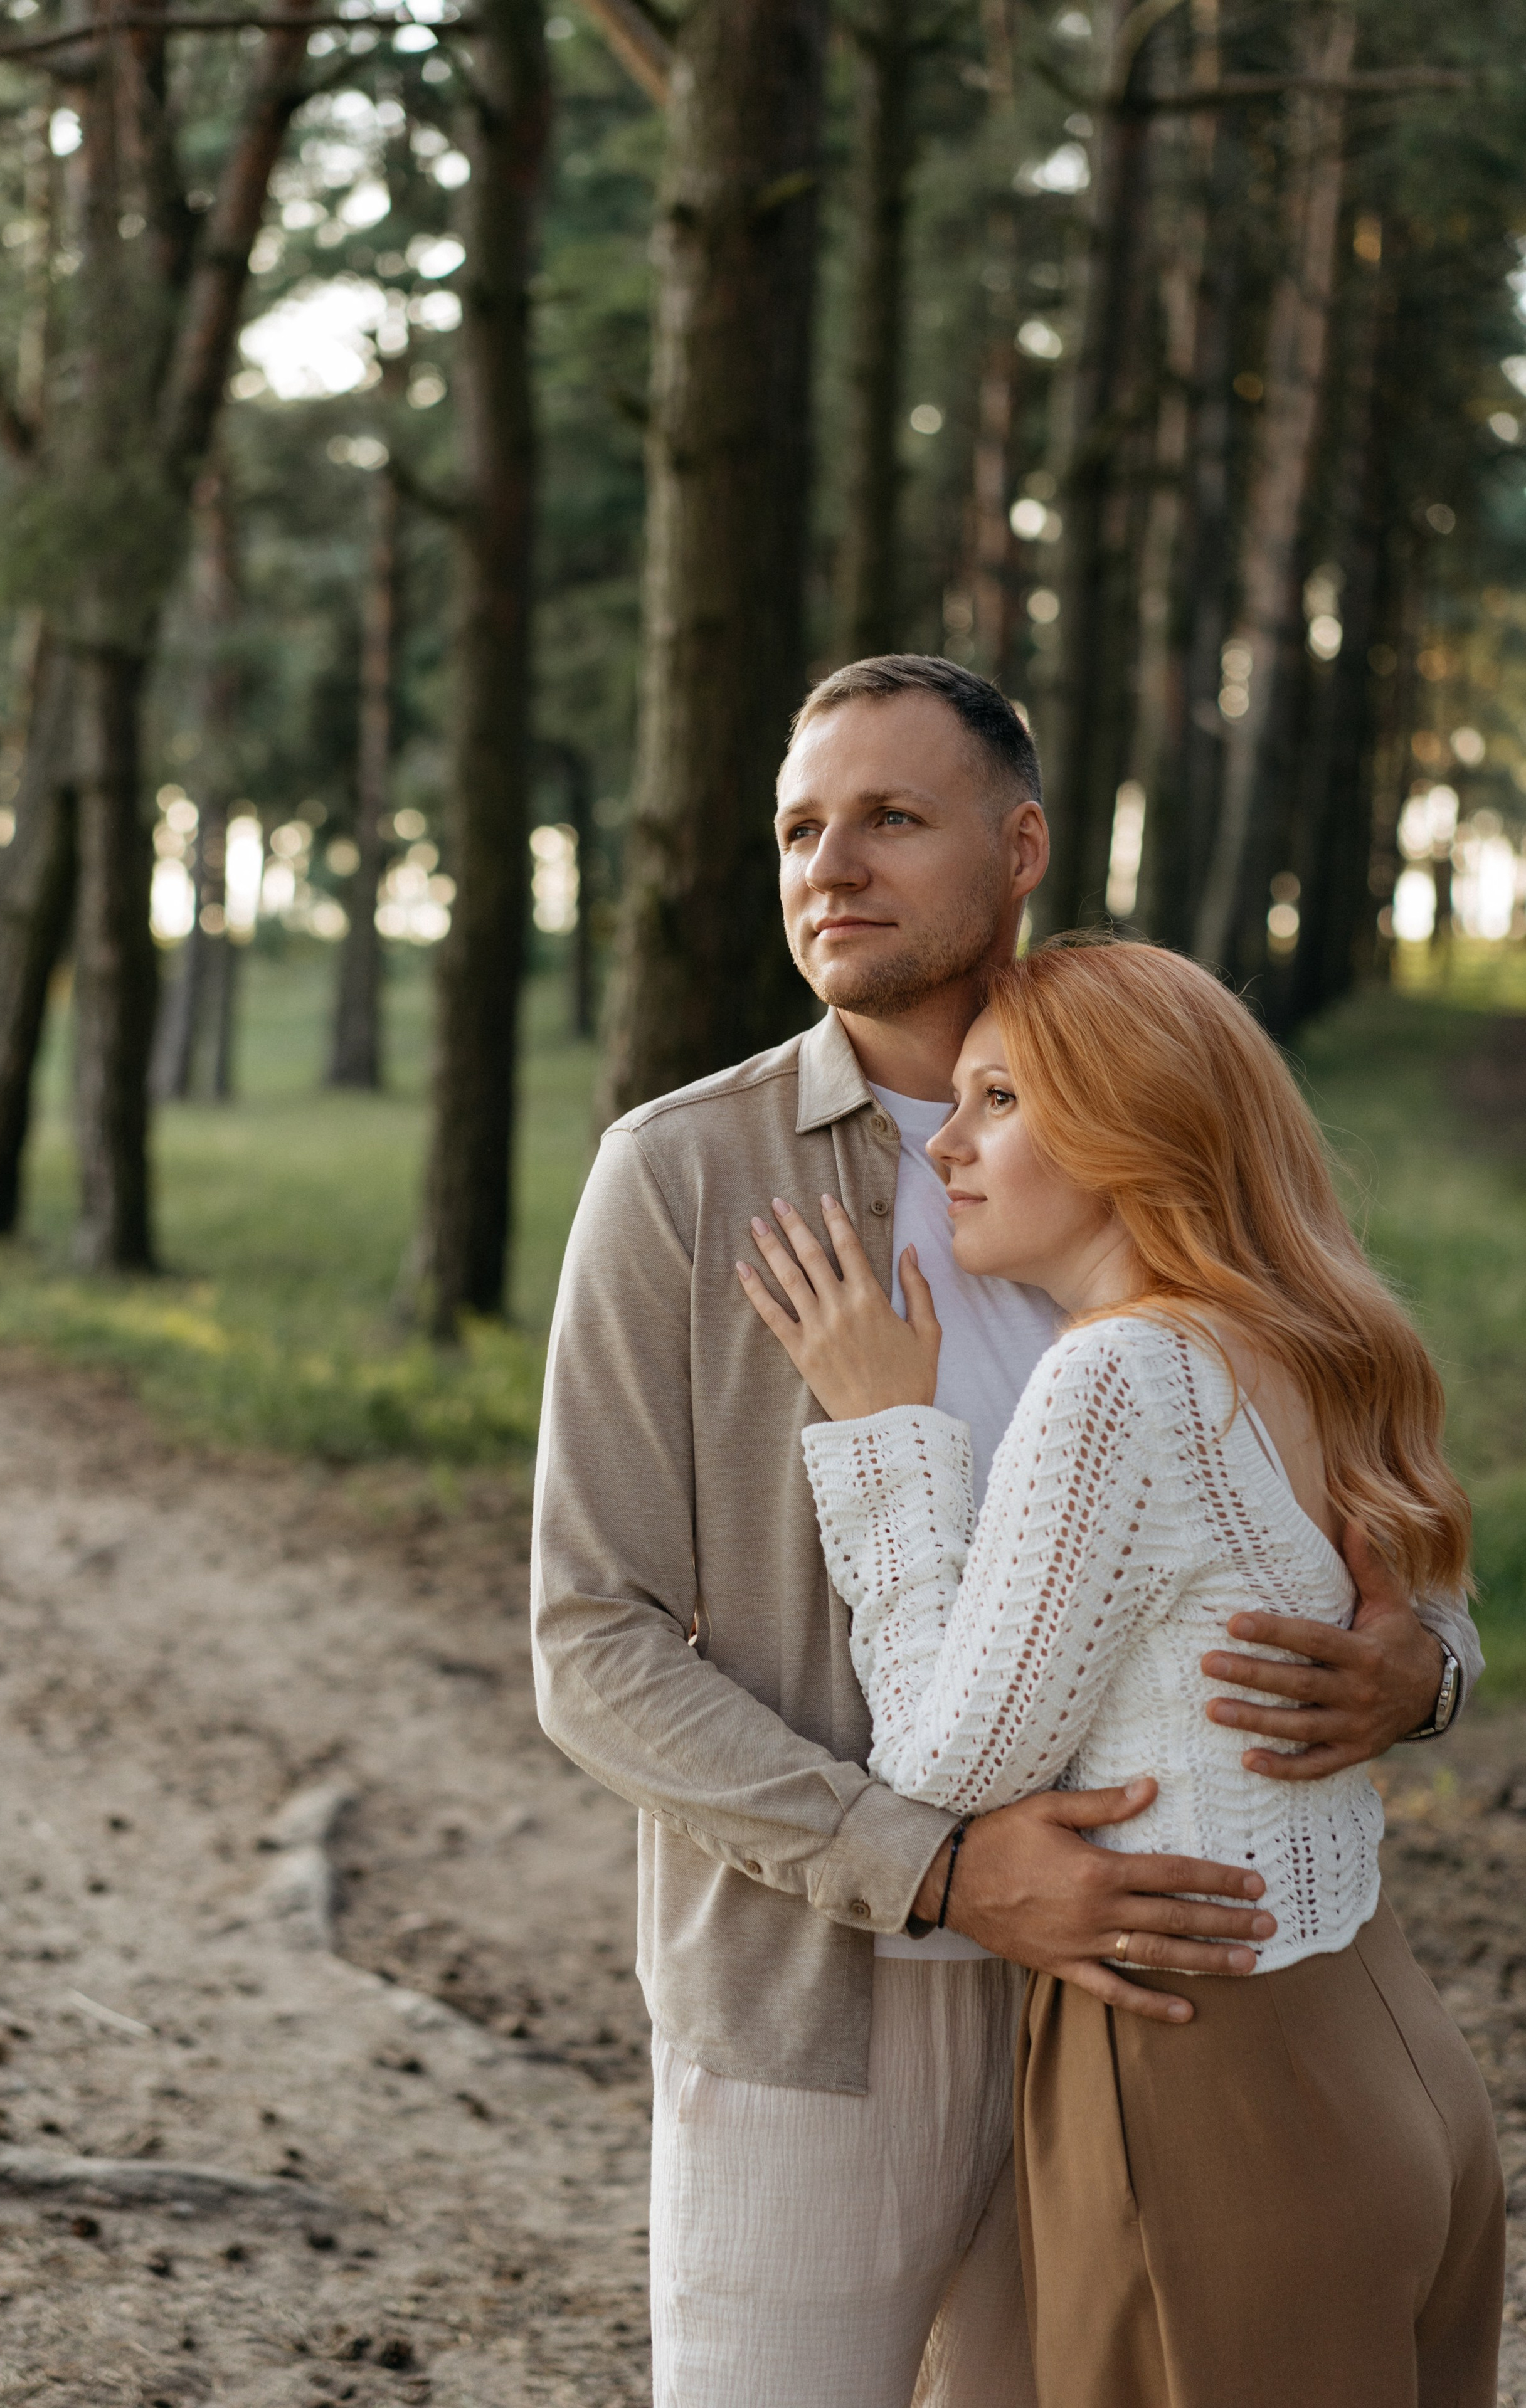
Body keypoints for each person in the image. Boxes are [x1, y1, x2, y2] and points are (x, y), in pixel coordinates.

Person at [531, 656, 1482, 2408]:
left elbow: (1358, 1496)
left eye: (892, 818)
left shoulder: (1155, 1109)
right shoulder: (682, 1178)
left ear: (1020, 845)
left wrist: (1420, 1670)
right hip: (828, 2000)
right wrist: (937, 1869)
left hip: (1137, 2016)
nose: (832, 868)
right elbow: (590, 1643)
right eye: (799, 831)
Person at [740, 935, 1504, 2406]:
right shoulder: (1320, 1341)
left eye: (1000, 1102)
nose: (946, 1147)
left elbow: (946, 1764)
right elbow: (1423, 1628)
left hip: (1205, 2076)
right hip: (1384, 2046)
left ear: (1132, 1130)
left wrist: (885, 1433)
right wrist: (1434, 1682)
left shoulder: (1118, 1375)